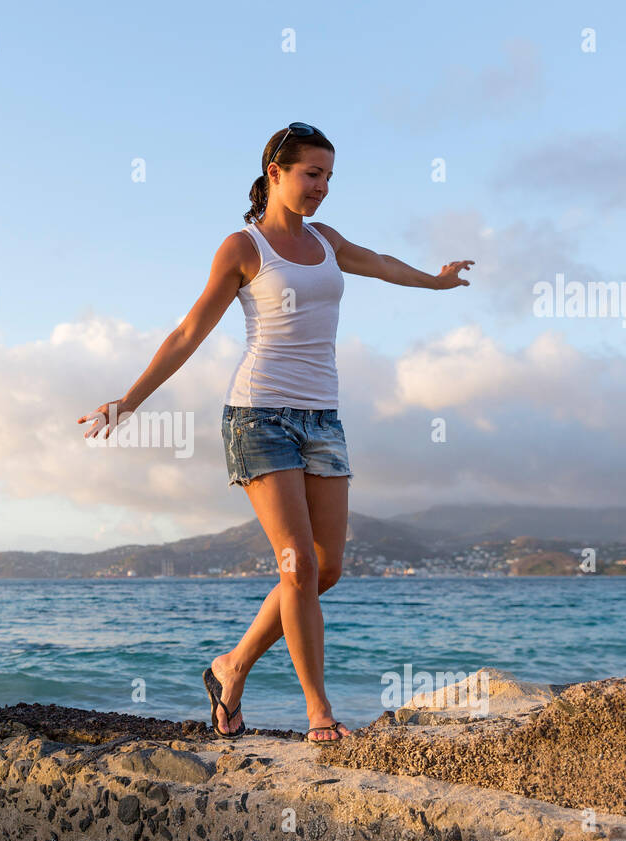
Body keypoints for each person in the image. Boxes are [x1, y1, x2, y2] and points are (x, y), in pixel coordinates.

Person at [78, 123, 473, 744]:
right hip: (259, 416)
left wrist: (436, 280)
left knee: (326, 567)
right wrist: (129, 402)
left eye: (329, 177)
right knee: (295, 567)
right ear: (275, 171)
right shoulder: (244, 247)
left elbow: (379, 263)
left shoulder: (326, 239)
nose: (320, 188)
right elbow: (188, 332)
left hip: (323, 417)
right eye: (311, 174)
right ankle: (319, 712)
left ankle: (231, 667)